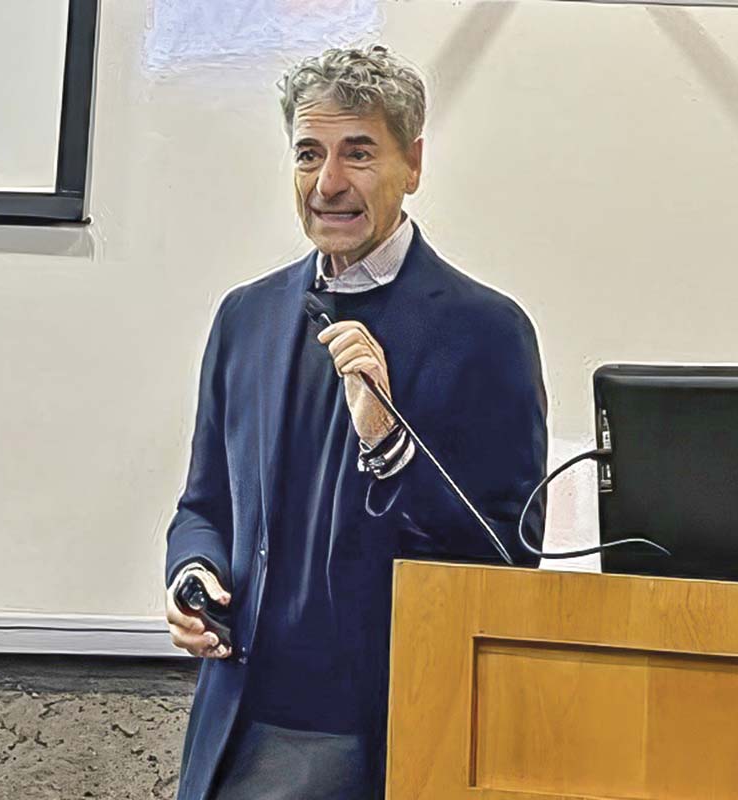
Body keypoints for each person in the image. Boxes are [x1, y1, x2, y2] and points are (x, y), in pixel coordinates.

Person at [163, 45, 548, 800]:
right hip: (235, 722)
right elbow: (203, 506)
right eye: (309, 153)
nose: (328, 183)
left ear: (415, 163)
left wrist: (388, 440)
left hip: (385, 732)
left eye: (359, 153)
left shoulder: (487, 331)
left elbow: (508, 561)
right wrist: (193, 573)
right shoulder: (246, 317)